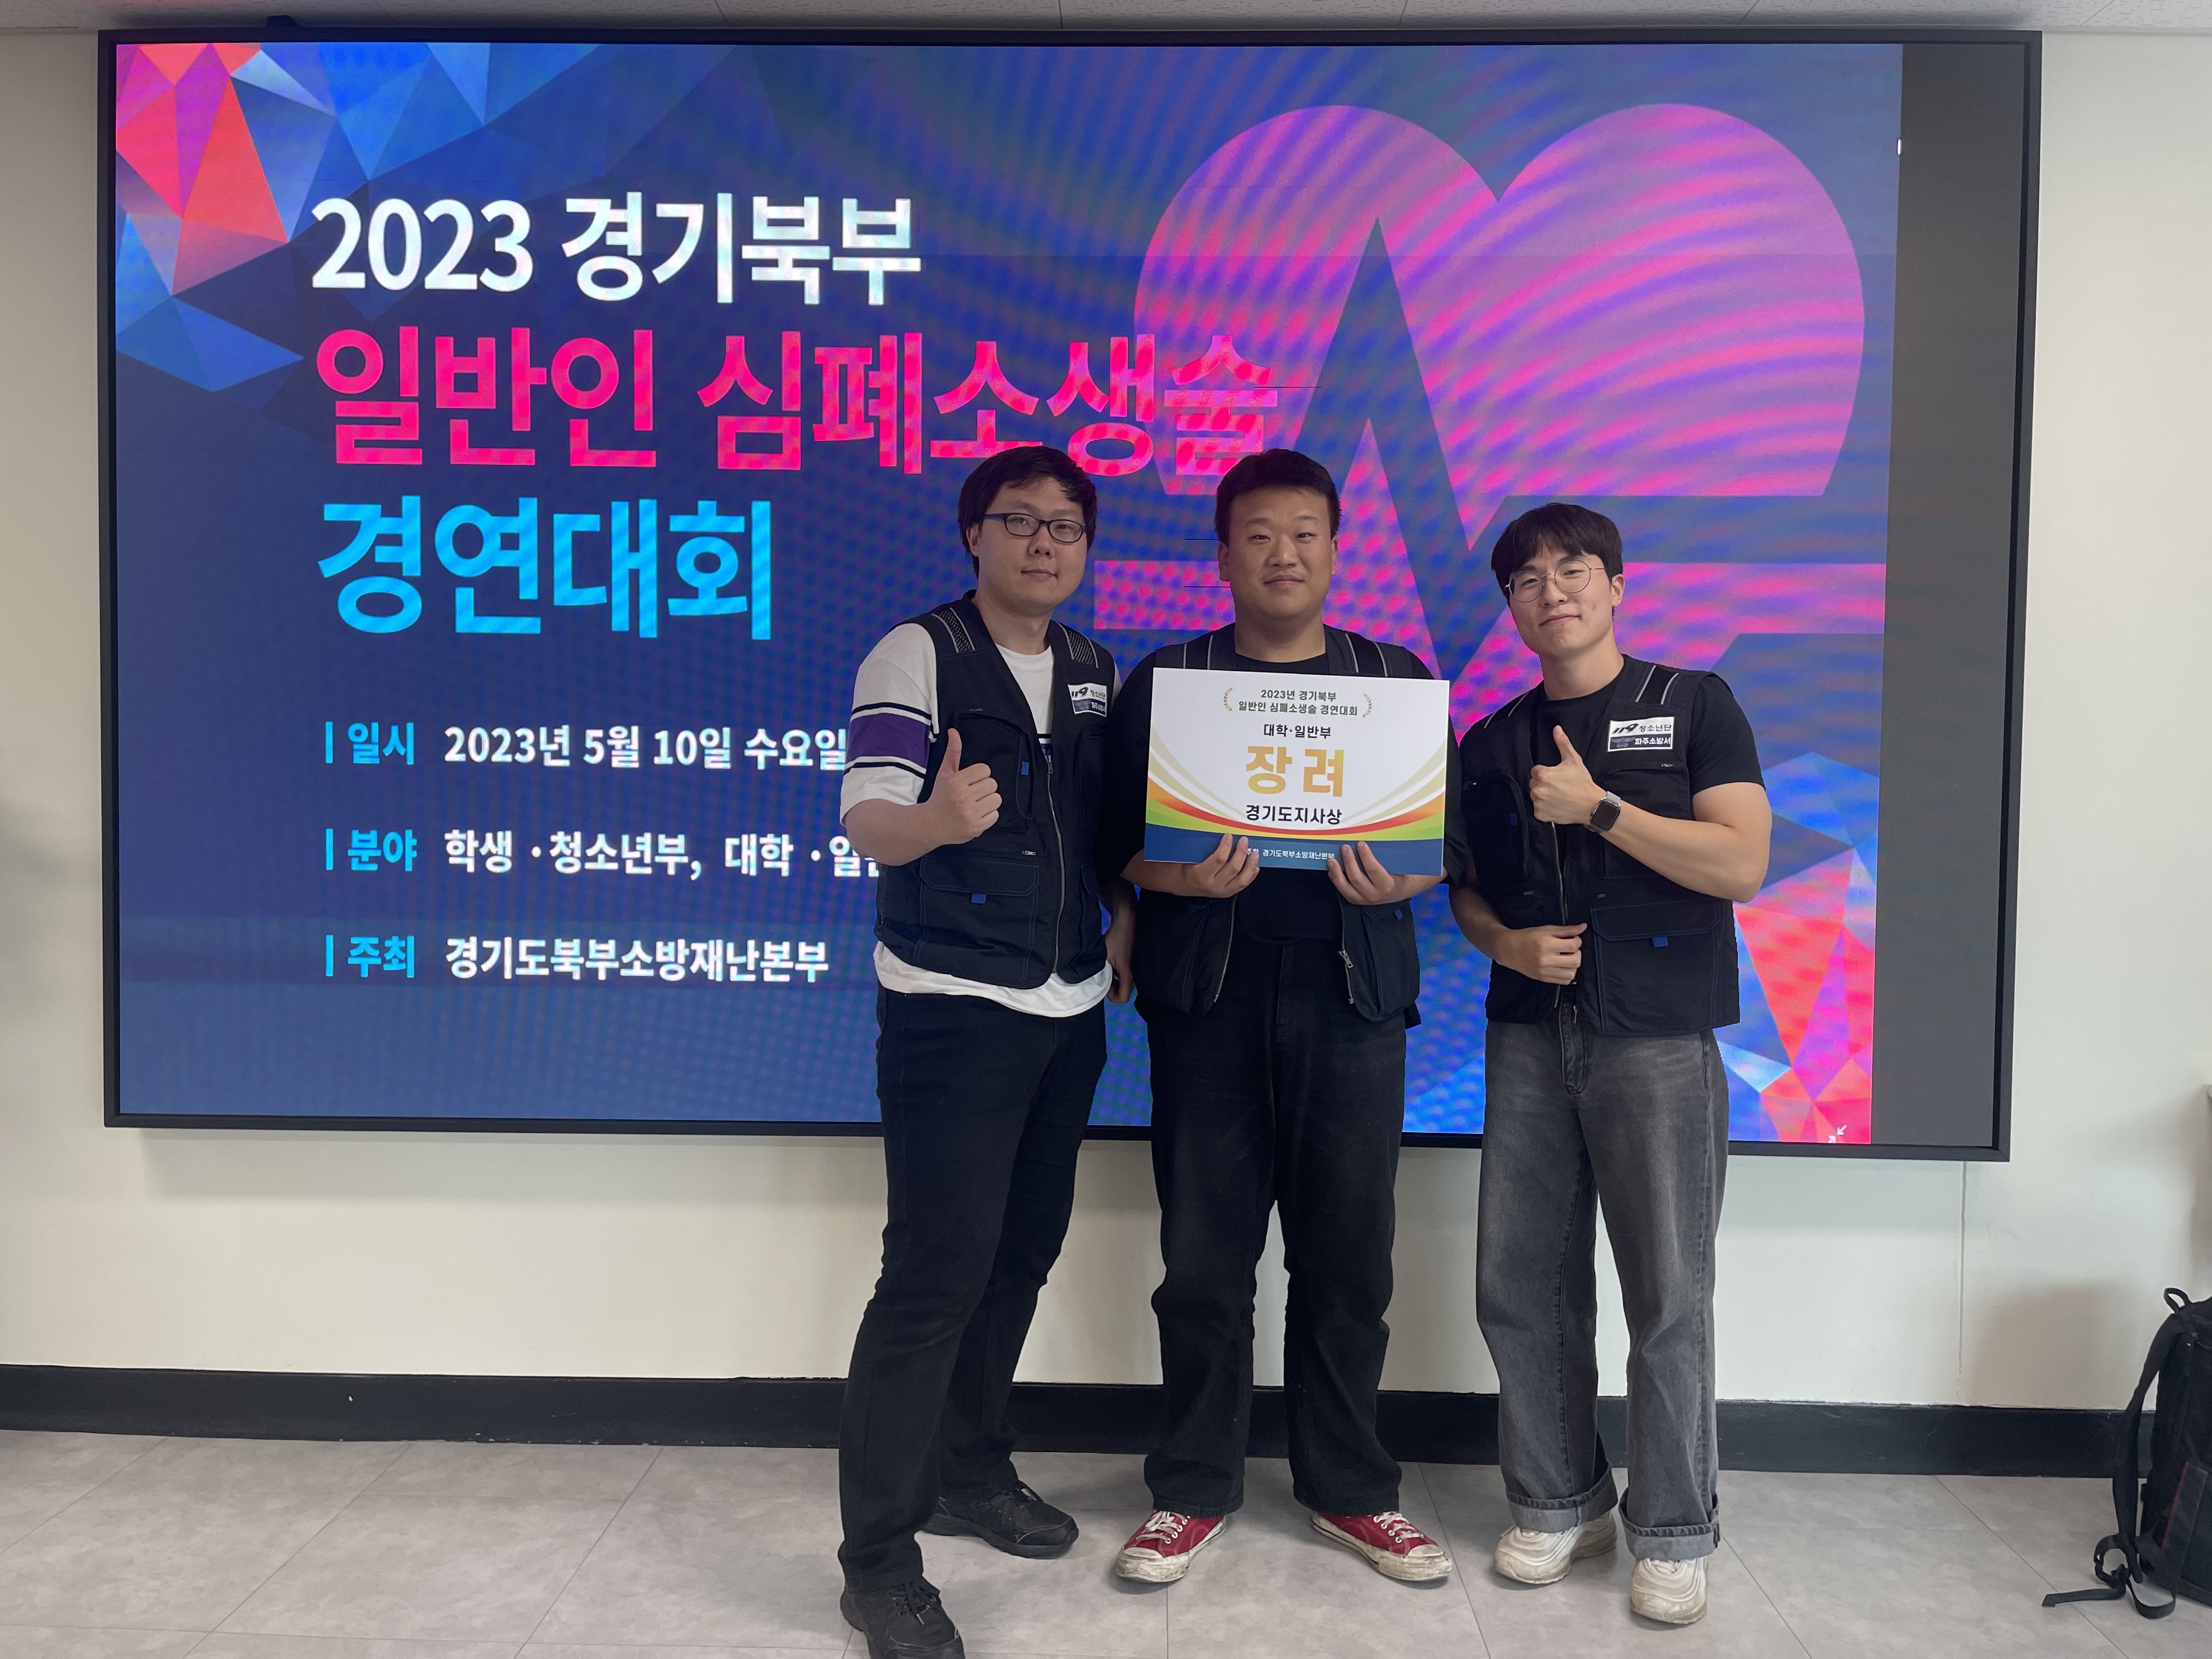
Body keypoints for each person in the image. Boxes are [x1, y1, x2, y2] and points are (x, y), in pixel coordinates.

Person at [1096, 448, 1465, 1588]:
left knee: (1348, 1258)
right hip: (1206, 999)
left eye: (1305, 533)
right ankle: (1192, 1488)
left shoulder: (1392, 681)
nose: (1283, 554)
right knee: (1204, 1260)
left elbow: (1442, 843)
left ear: (1337, 550)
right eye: (1258, 535)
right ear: (1222, 557)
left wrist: (1405, 880)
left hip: (1353, 1001)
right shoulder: (1170, 682)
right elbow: (1112, 840)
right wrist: (1173, 881)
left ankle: (1350, 1488)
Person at [1448, 503, 1771, 1626]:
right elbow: (1466, 890)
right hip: (1528, 1036)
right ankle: (1557, 1501)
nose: (1554, 592)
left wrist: (1601, 809)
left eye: (1574, 569)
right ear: (1511, 606)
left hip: (1659, 1039)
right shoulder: (1490, 740)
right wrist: (1504, 944)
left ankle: (1673, 1529)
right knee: (1521, 1282)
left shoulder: (1695, 705)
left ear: (1617, 584)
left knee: (1669, 1293)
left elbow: (1741, 862)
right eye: (1527, 579)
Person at [834, 447, 1133, 1659]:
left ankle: (970, 1469)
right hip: (952, 1007)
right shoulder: (917, 653)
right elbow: (868, 819)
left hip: (1070, 1005)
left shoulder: (1096, 670)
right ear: (975, 534)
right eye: (1020, 521)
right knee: (932, 1279)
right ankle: (878, 1563)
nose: (1044, 543)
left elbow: (1103, 826)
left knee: (1019, 1256)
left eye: (1066, 526)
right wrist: (934, 819)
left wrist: (1124, 917)